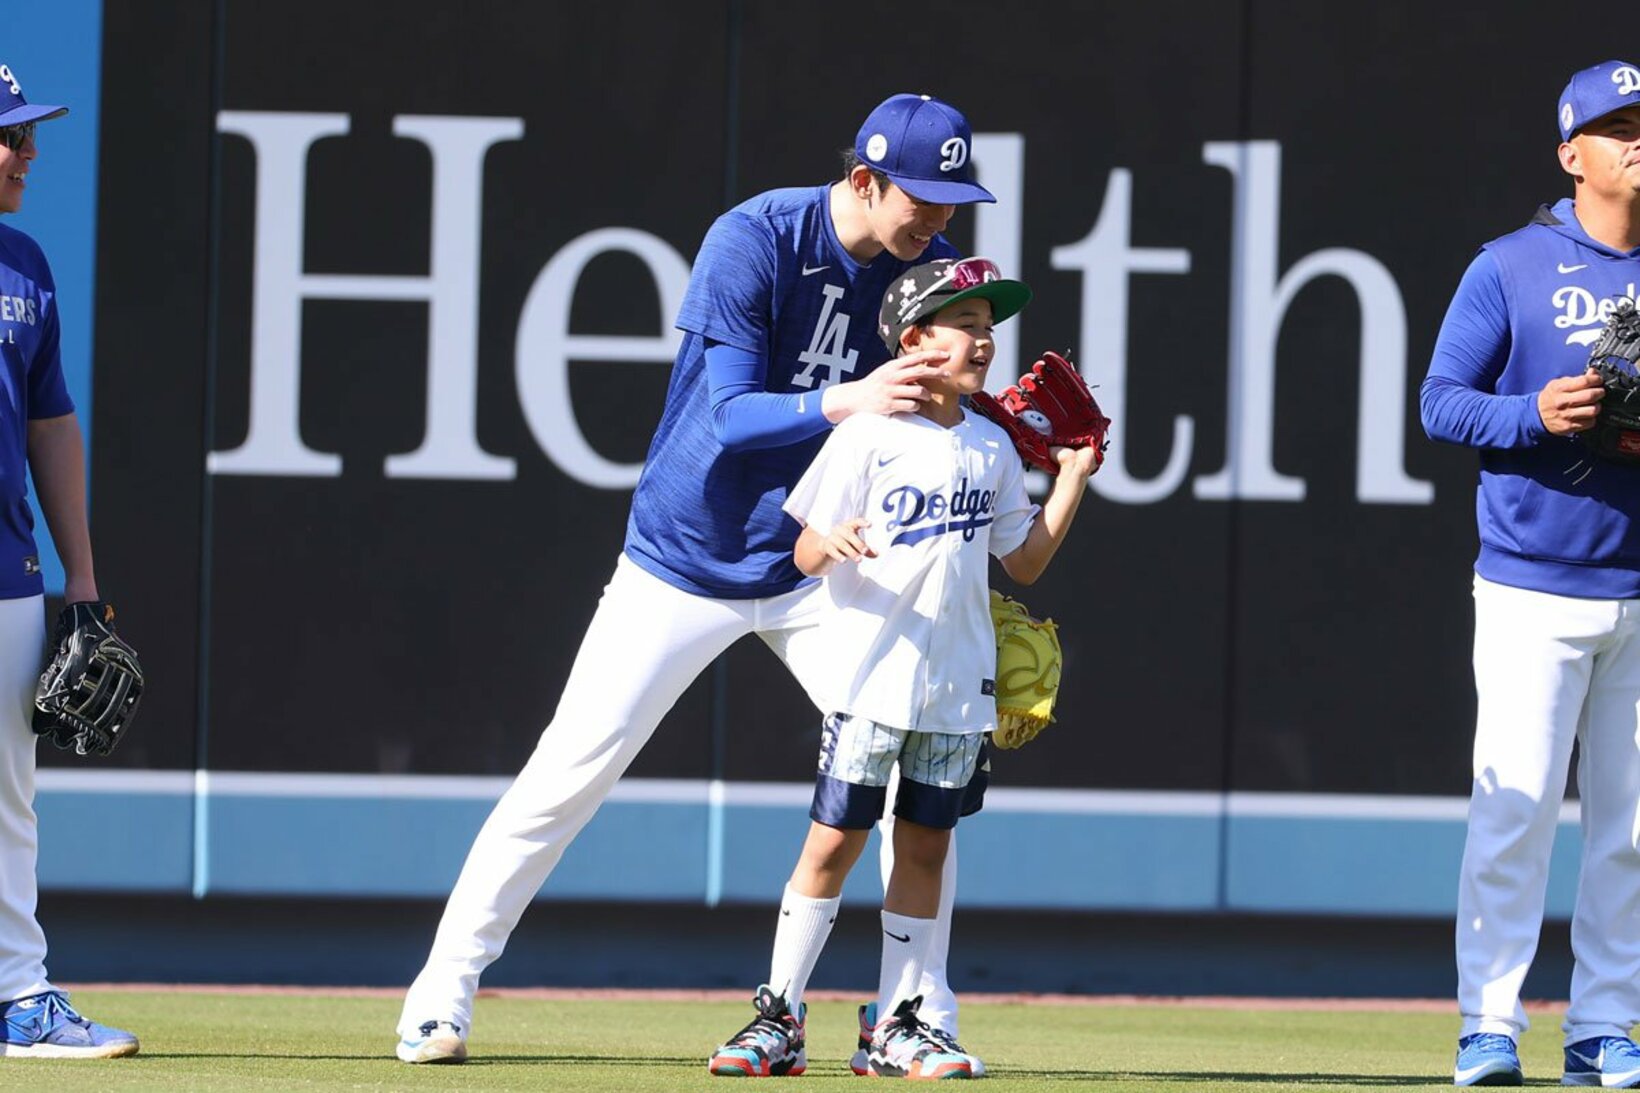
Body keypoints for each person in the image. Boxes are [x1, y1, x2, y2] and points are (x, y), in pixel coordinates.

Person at [397, 93, 999, 1067]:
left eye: (950, 198)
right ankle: (440, 992)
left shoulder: (923, 278)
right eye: (920, 196)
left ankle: (913, 1014)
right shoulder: (757, 237)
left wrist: (1019, 428)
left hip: (822, 564)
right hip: (687, 554)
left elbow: (941, 406)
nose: (938, 218)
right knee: (568, 772)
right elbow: (727, 416)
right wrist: (850, 397)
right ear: (861, 180)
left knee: (906, 778)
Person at [706, 257, 1098, 1079]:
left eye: (990, 328)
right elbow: (805, 545)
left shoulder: (990, 444)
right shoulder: (868, 433)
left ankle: (902, 1022)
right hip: (871, 679)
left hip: (957, 686)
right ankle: (778, 1013)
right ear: (914, 338)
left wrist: (1070, 477)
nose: (984, 341)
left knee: (924, 850)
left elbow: (1022, 563)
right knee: (834, 843)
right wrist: (831, 541)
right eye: (966, 326)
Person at [1422, 59, 1640, 1089]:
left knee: (1630, 827)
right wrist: (1532, 413)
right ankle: (1489, 1022)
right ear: (1570, 153)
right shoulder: (1508, 265)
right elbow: (1438, 401)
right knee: (1512, 815)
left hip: (1637, 588)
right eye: (1615, 127)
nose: (1634, 141)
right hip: (1529, 581)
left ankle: (1603, 1024)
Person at [0, 65, 138, 1059]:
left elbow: (52, 421)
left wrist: (79, 577)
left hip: (8, 572)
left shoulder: (26, 266)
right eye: (12, 135)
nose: (29, 153)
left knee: (8, 795)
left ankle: (16, 993)